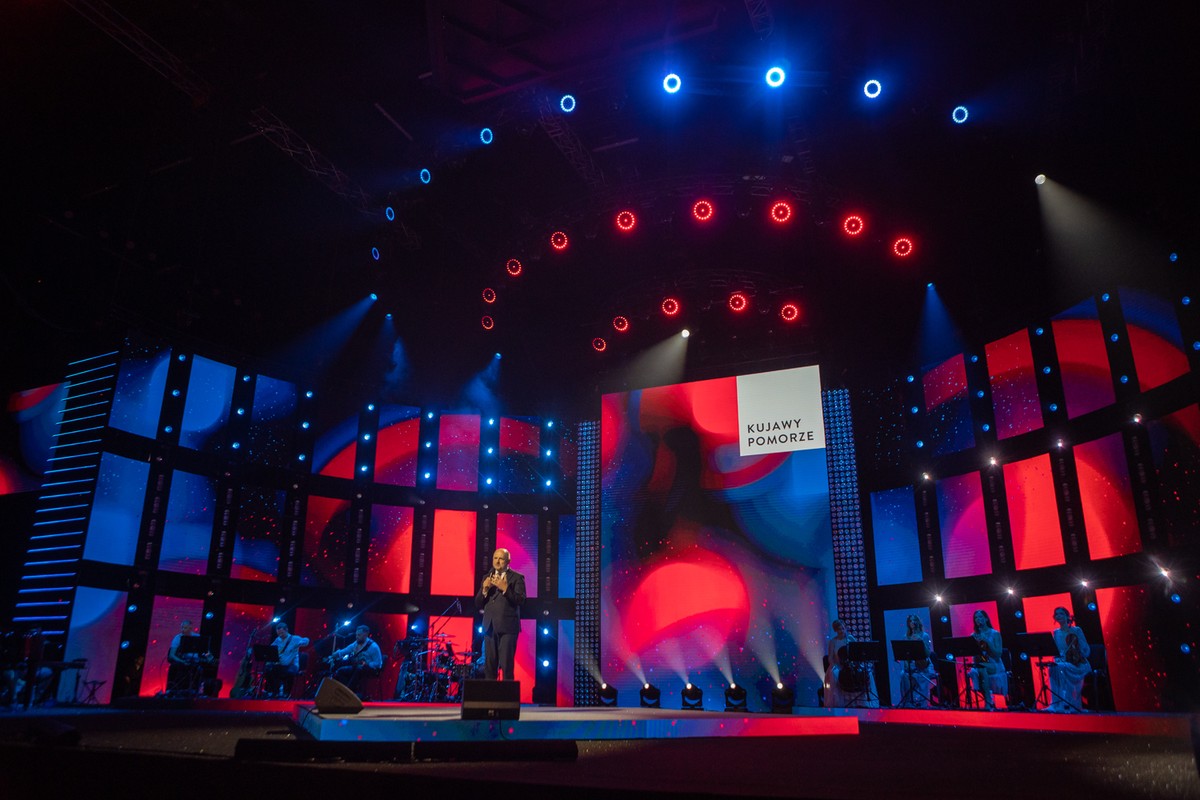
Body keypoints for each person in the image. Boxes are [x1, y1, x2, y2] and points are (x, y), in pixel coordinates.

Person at [475, 548, 526, 681]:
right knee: (489, 667)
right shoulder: (487, 577)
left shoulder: (517, 577)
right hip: (489, 627)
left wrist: (505, 589)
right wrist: (484, 590)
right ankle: (491, 694)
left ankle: (507, 694)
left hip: (508, 628)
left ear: (508, 561)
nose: (497, 561)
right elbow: (478, 603)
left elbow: (521, 600)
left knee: (507, 667)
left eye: (501, 559)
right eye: (495, 558)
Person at [1047, 607, 1091, 713]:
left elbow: (1086, 650)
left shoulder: (1076, 630)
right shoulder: (1056, 632)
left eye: (1061, 614)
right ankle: (1056, 704)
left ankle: (1069, 704)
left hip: (1077, 663)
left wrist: (1076, 651)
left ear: (1067, 616)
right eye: (1056, 614)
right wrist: (1058, 658)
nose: (1058, 616)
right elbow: (1056, 651)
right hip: (1063, 662)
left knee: (1061, 667)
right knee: (1052, 667)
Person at [330, 625, 383, 697]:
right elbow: (346, 650)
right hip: (358, 668)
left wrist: (367, 664)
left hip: (371, 669)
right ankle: (343, 691)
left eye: (359, 635)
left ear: (365, 635)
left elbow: (378, 663)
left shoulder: (373, 647)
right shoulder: (356, 644)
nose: (357, 637)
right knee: (341, 671)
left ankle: (348, 693)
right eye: (356, 635)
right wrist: (336, 654)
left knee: (358, 669)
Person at [969, 610, 1007, 710]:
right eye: (976, 618)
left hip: (994, 663)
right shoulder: (974, 635)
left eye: (980, 617)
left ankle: (988, 701)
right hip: (982, 662)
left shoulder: (995, 634)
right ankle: (988, 700)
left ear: (986, 619)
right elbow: (979, 656)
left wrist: (986, 641)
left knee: (981, 668)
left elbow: (998, 654)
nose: (978, 619)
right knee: (978, 669)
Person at [898, 614, 935, 708]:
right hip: (910, 667)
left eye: (914, 620)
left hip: (922, 665)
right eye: (910, 621)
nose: (912, 622)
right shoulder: (906, 637)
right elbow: (905, 655)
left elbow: (928, 654)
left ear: (918, 622)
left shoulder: (924, 636)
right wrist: (906, 666)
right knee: (903, 675)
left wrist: (920, 641)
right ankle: (908, 703)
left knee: (921, 678)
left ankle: (923, 704)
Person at [265, 622, 310, 698]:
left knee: (289, 672)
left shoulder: (294, 639)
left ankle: (287, 693)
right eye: (278, 633)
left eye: (282, 633)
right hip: (281, 664)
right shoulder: (278, 640)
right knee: (269, 669)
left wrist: (302, 642)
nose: (280, 635)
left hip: (292, 665)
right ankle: (274, 692)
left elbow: (306, 640)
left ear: (286, 630)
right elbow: (271, 649)